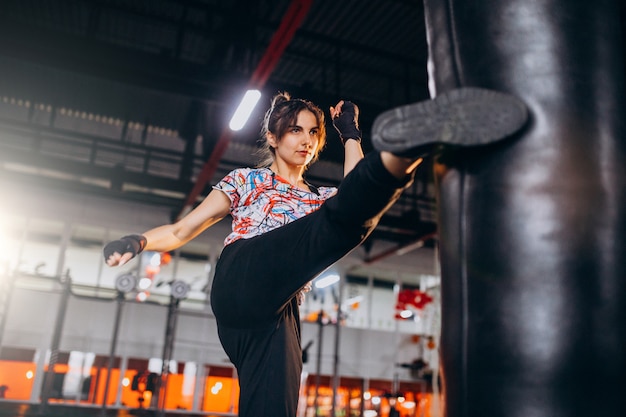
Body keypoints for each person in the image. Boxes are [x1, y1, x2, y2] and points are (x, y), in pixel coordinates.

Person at [103, 88, 527, 417]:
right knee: (338, 223)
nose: (306, 141)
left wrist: (352, 135)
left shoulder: (319, 198)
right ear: (272, 136)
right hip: (243, 276)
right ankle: (402, 150)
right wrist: (137, 241)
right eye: (295, 131)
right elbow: (183, 228)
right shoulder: (247, 180)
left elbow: (355, 196)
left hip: (279, 310)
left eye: (313, 132)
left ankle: (410, 147)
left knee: (276, 405)